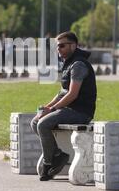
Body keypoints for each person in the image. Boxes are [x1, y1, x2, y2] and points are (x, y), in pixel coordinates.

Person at [30, 32, 97, 181]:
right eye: (56, 46)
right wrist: (47, 107)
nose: (58, 49)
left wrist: (53, 110)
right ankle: (58, 155)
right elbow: (62, 92)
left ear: (73, 45)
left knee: (43, 124)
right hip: (68, 109)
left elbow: (72, 94)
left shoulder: (78, 64)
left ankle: (49, 163)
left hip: (80, 111)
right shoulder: (69, 63)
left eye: (62, 45)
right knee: (35, 121)